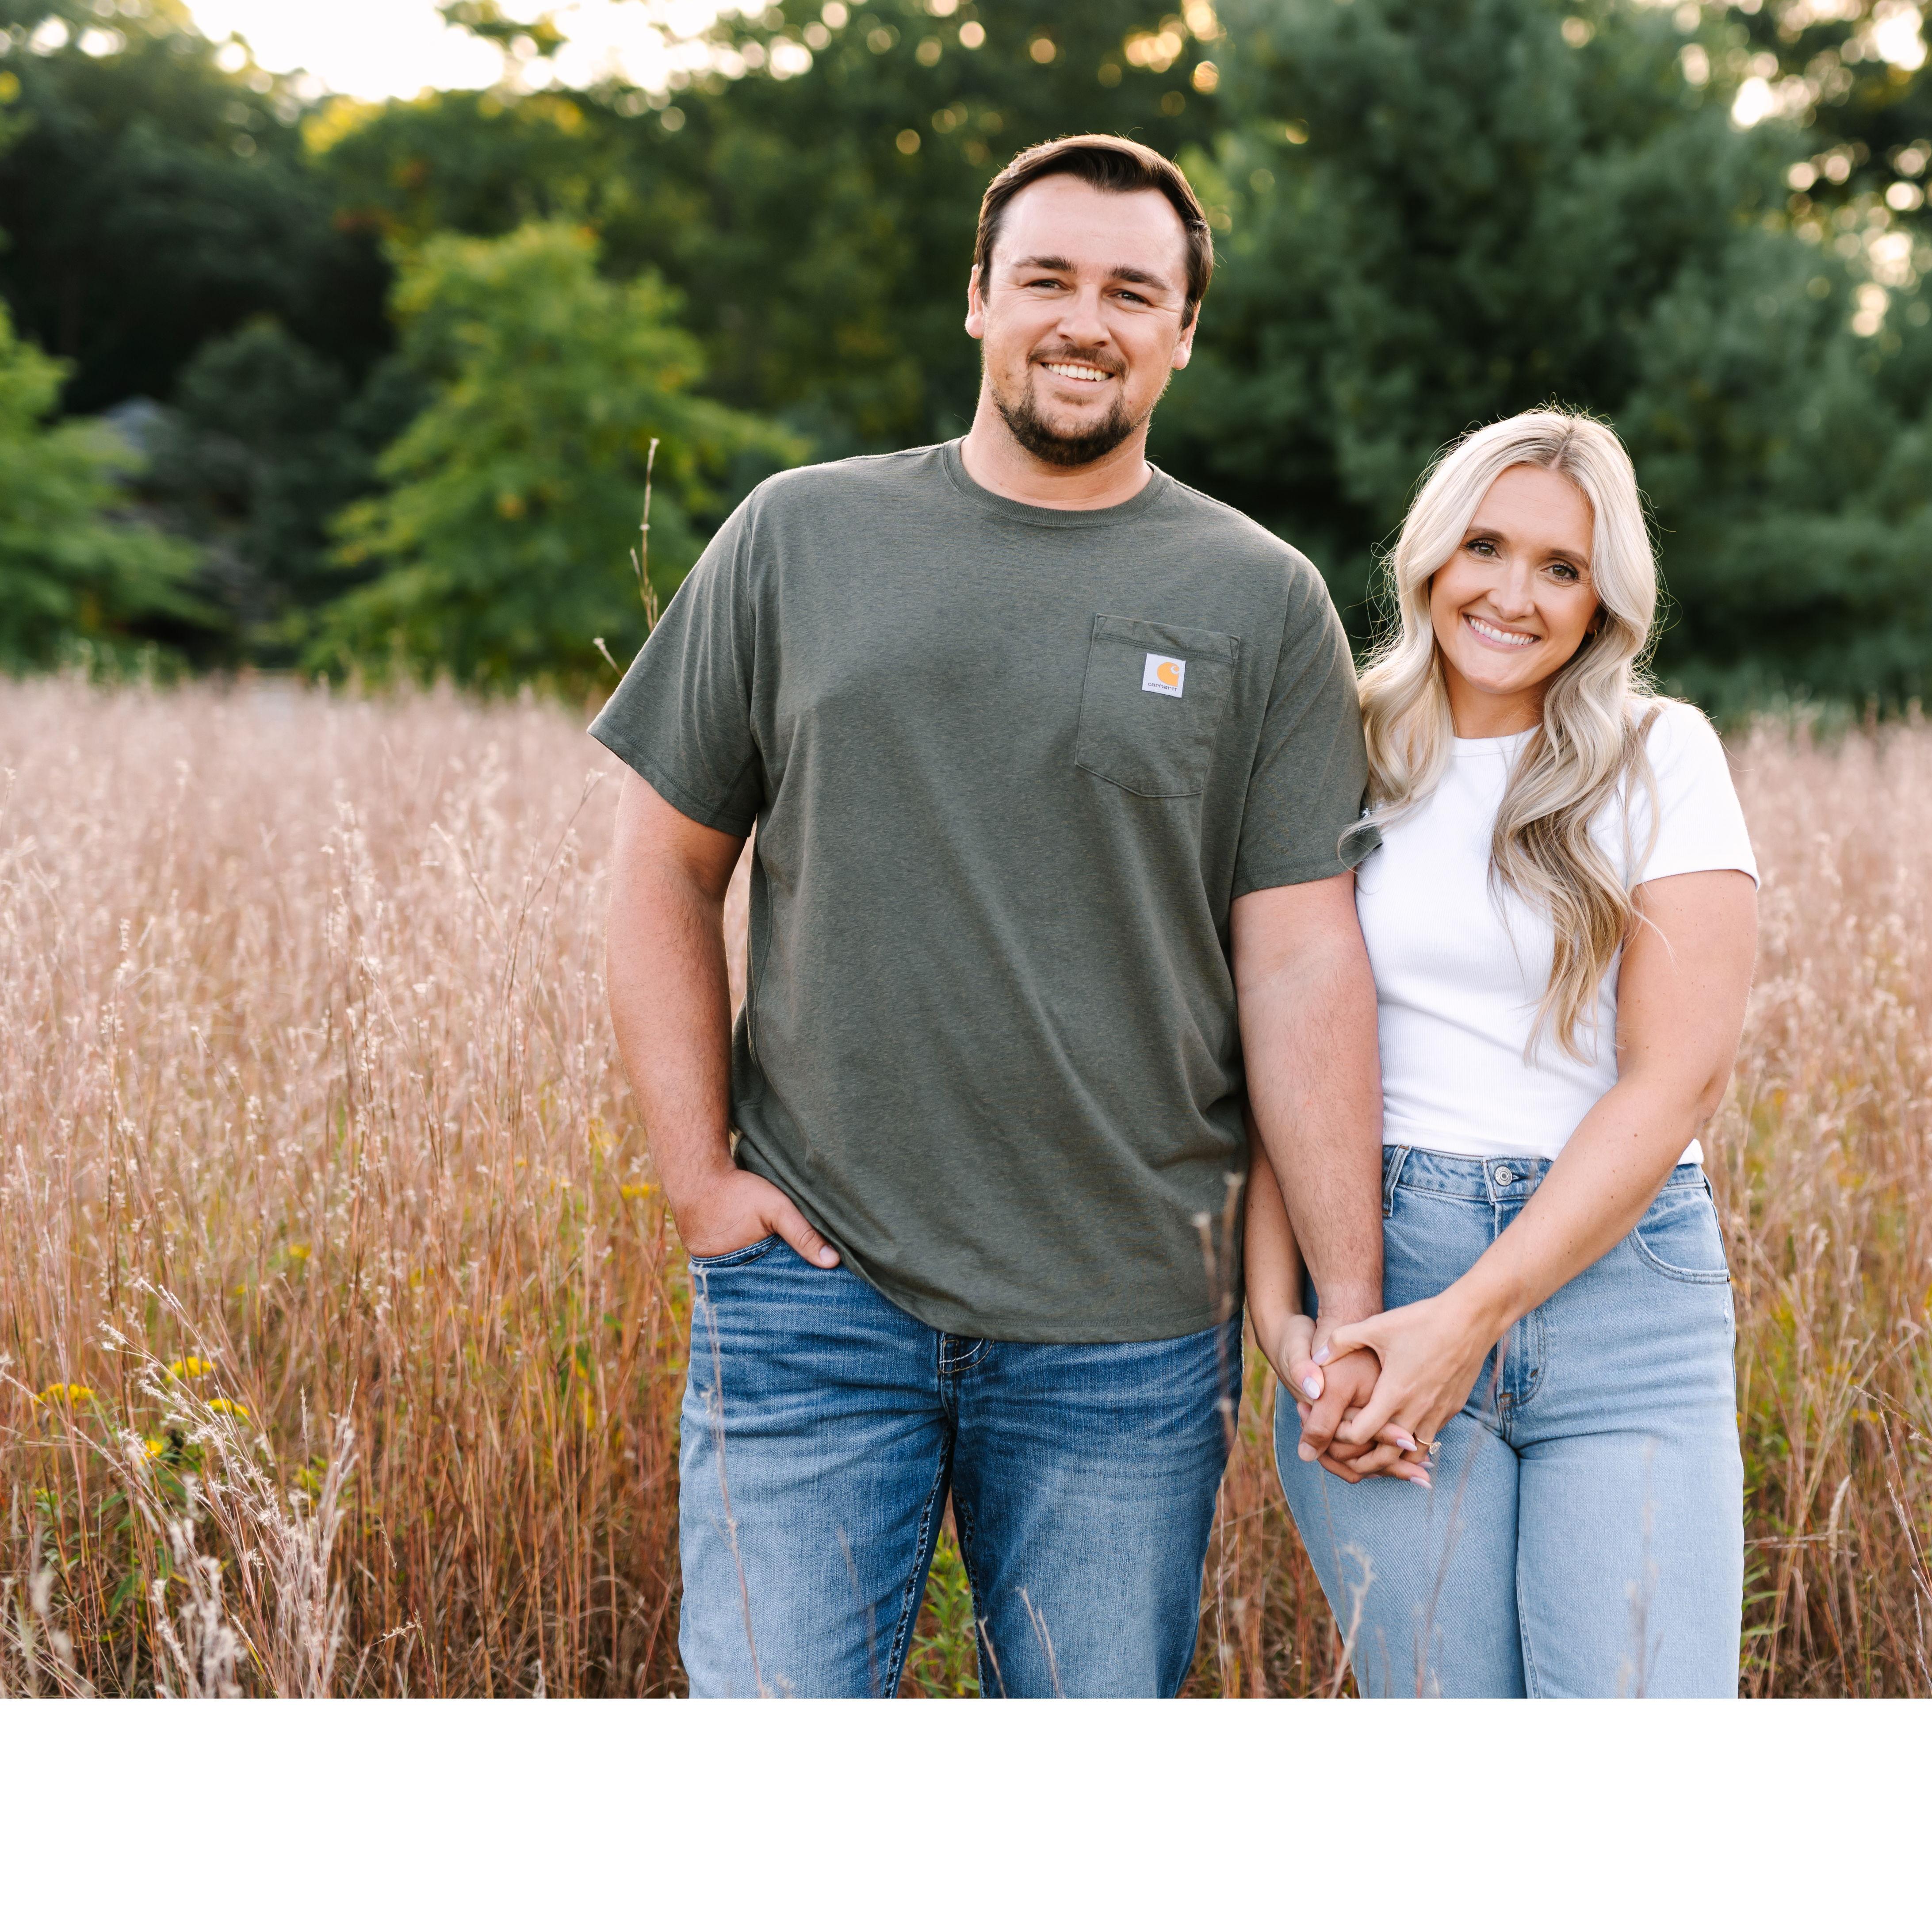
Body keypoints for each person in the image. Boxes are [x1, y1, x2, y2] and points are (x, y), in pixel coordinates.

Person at [595, 133, 1399, 1699]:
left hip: (1129, 1328)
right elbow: (659, 870)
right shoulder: (798, 536)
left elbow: (1304, 959)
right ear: (978, 298)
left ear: (1184, 332)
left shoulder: (1260, 597)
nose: (1084, 321)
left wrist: (1348, 1296)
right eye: (1047, 279)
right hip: (816, 1305)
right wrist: (699, 1183)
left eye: (1132, 292)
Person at [1245, 409, 1760, 1696]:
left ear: (1604, 602)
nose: (1514, 596)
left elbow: (1680, 1079)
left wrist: (1469, 1319)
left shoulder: (1660, 754)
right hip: (1380, 1266)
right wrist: (1280, 1315)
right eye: (1486, 546)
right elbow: (1280, 1036)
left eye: (1562, 568)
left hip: (1621, 1293)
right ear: (1431, 554)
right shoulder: (1333, 745)